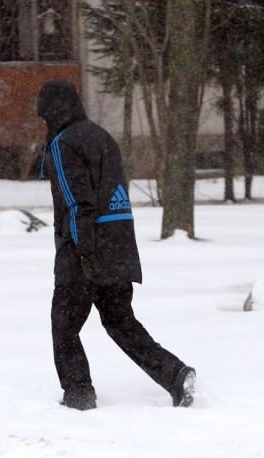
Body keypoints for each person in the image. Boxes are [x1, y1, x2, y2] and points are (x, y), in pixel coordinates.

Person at [37, 79, 196, 411]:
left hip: (84, 251)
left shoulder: (64, 143)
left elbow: (77, 200)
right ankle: (175, 375)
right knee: (121, 322)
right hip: (120, 246)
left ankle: (79, 394)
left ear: (51, 111)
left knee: (64, 326)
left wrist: (81, 251)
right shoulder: (101, 136)